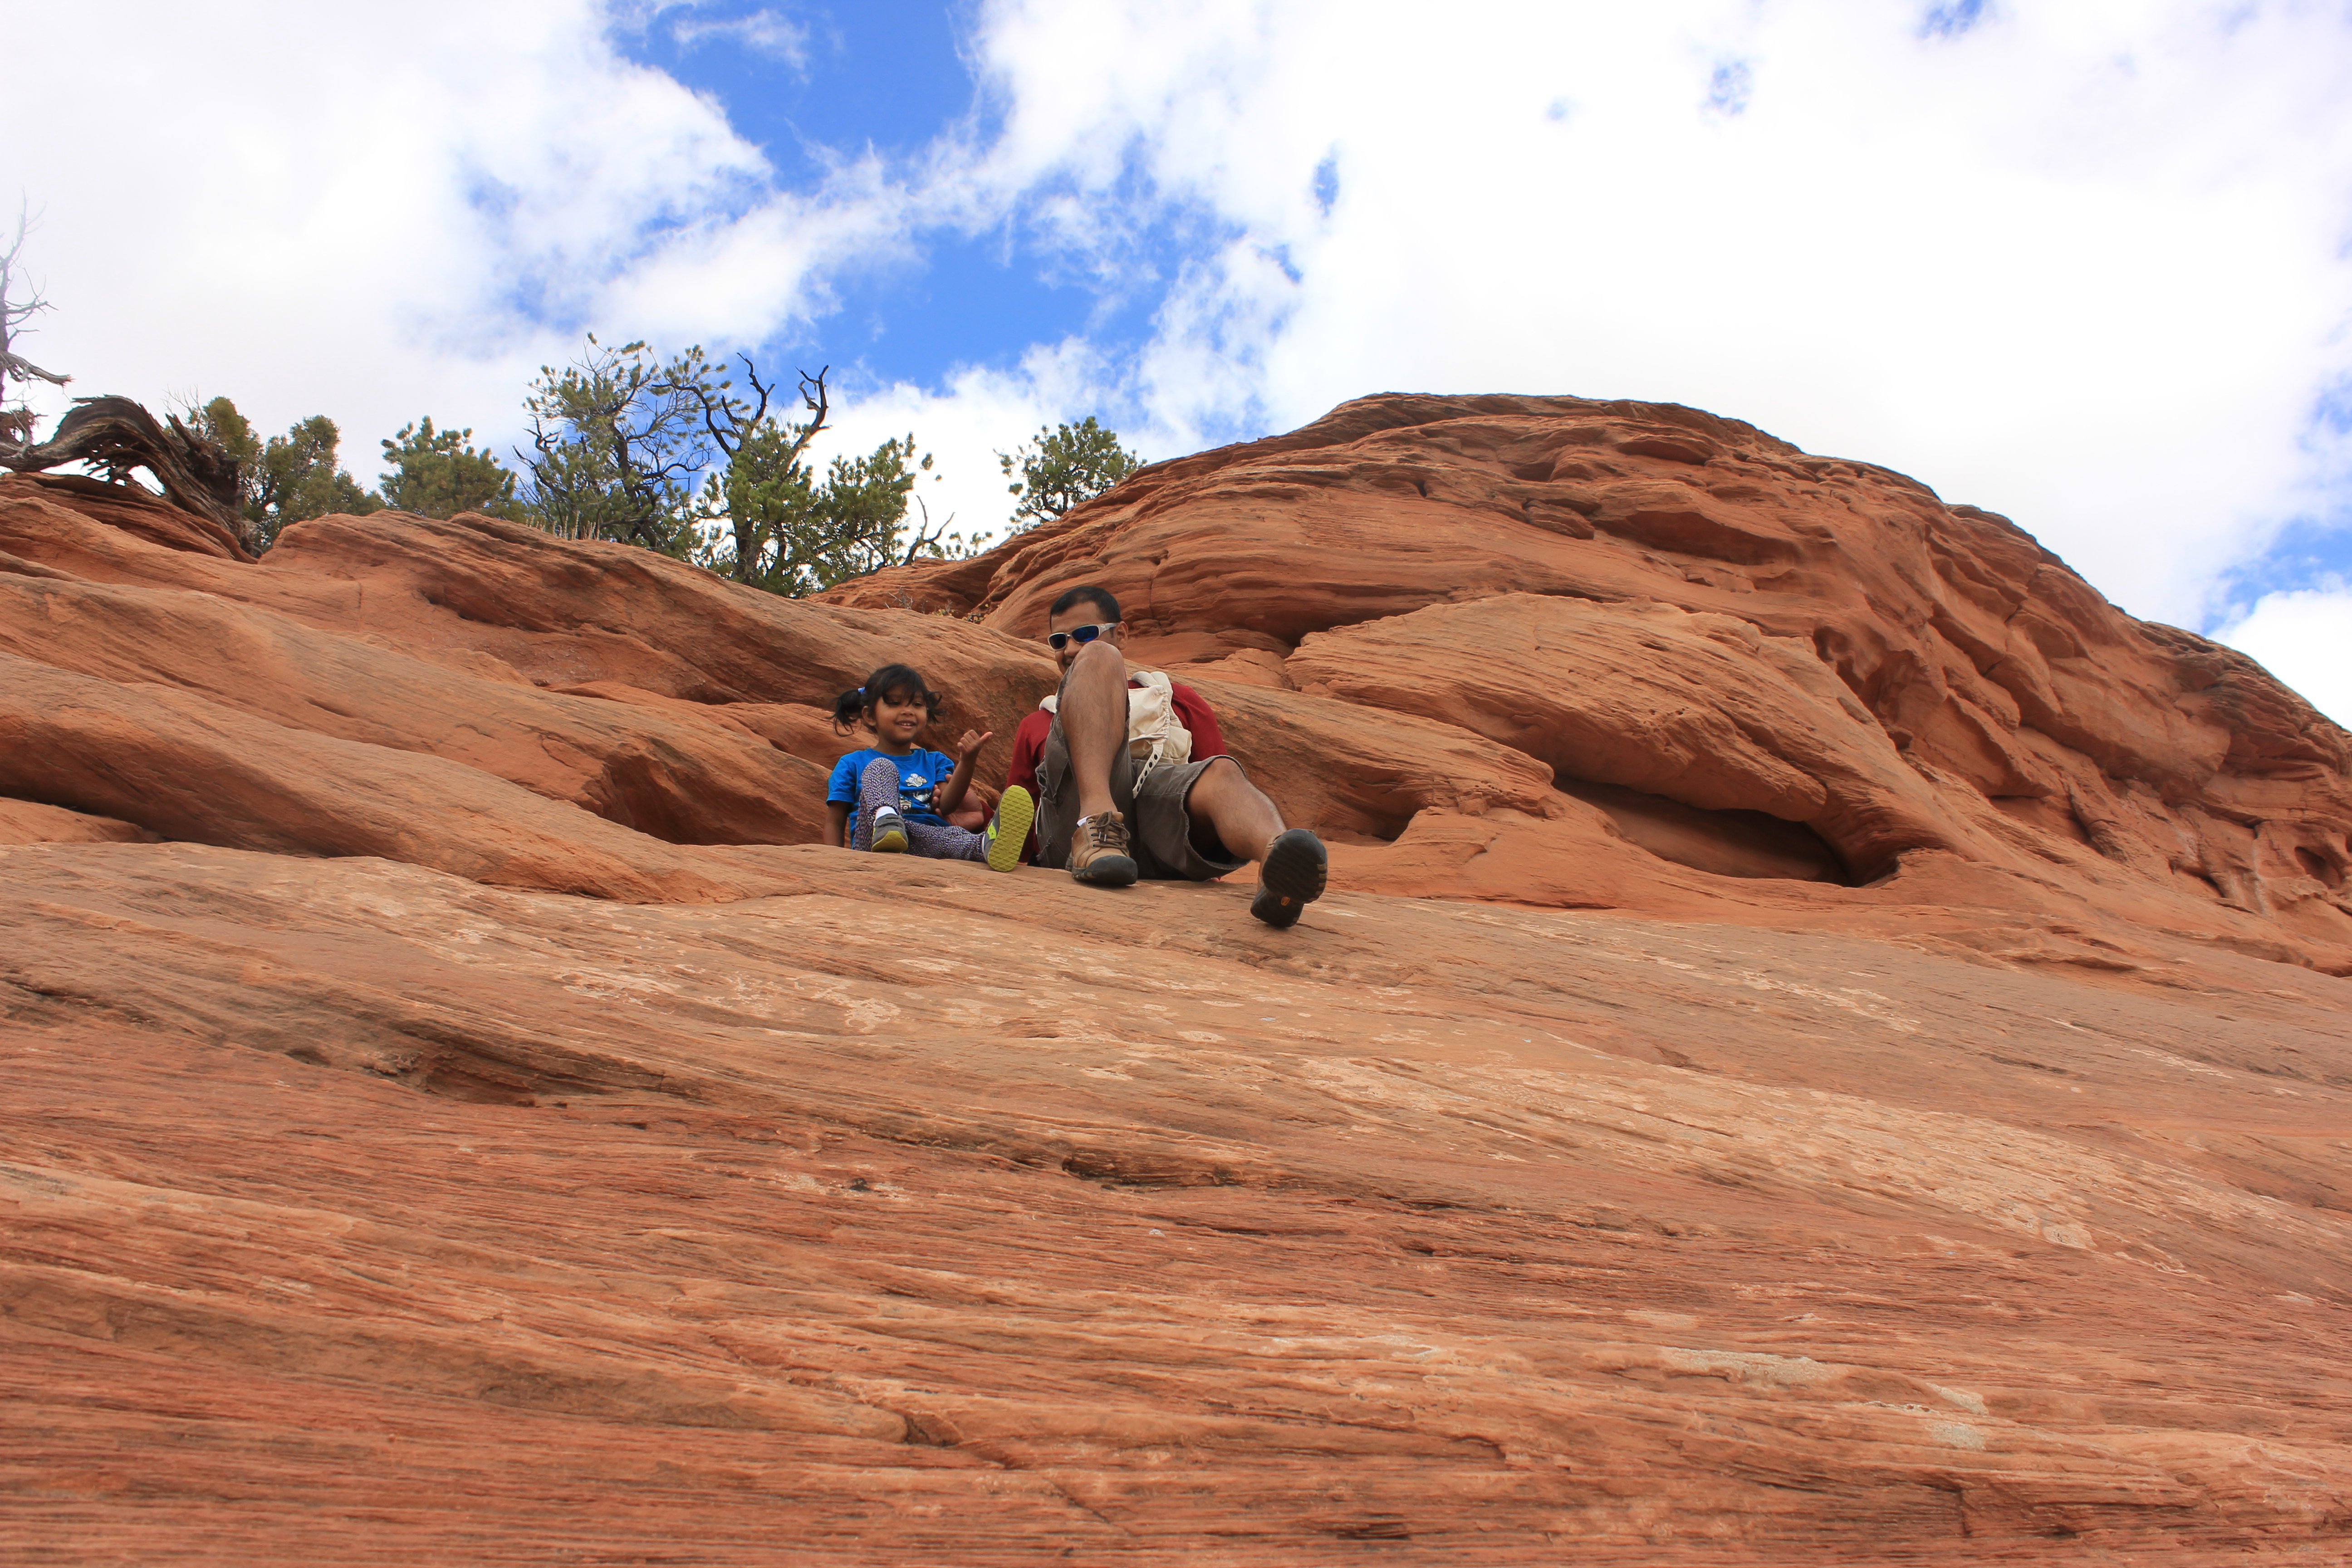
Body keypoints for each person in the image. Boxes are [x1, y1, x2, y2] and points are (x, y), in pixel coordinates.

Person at [1003, 585, 1328, 928]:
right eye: (1058, 641)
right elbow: (1018, 824)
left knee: (1221, 773)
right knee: (1101, 658)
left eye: (1084, 635)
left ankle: (1276, 864)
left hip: (1163, 837)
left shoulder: (1178, 700)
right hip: (1072, 834)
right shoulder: (1039, 723)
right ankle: (1094, 827)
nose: (1069, 649)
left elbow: (1207, 783)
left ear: (1123, 633)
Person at [826, 662, 1032, 872]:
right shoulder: (852, 763)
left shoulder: (934, 761)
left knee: (948, 836)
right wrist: (832, 865)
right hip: (871, 846)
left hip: (925, 844)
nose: (908, 711)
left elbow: (947, 806)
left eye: (917, 704)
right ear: (870, 715)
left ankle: (986, 845)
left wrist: (968, 761)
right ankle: (887, 820)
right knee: (880, 766)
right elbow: (835, 821)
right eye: (895, 703)